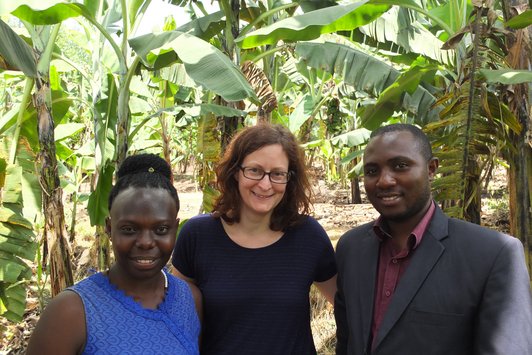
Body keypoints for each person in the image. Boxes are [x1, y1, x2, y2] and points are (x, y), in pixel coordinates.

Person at [334, 123, 532, 355]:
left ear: (431, 168)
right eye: (372, 171)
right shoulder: (351, 248)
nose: (384, 181)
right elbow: (346, 342)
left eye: (400, 166)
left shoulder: (492, 255)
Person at [172, 123, 337, 354]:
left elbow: (347, 308)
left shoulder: (308, 236)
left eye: (277, 174)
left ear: (290, 179)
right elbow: (174, 315)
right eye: (255, 171)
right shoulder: (198, 236)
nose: (265, 184)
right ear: (235, 172)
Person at [27, 153, 200, 355]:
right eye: (129, 229)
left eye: (161, 229)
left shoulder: (189, 299)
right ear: (109, 228)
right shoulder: (71, 312)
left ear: (175, 228)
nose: (145, 242)